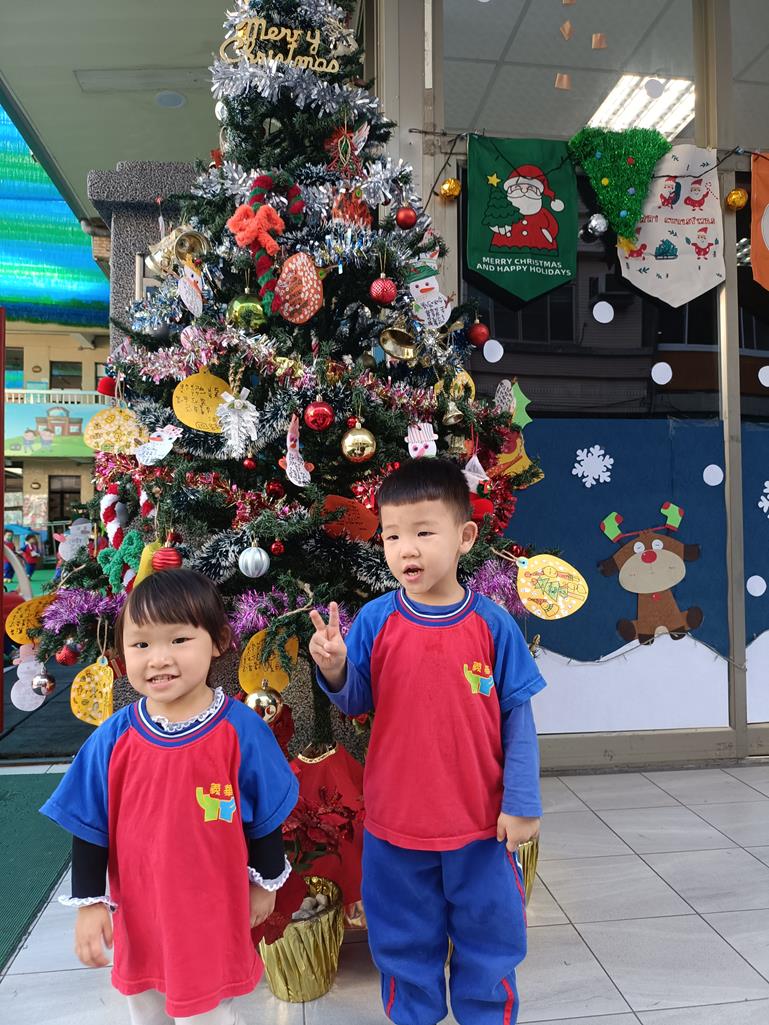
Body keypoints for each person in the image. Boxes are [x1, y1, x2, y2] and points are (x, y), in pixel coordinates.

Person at [309, 458, 546, 1025]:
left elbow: (518, 720)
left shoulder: (493, 625)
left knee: (490, 937)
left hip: (480, 826)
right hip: (396, 825)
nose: (406, 549)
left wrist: (521, 802)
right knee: (402, 940)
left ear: (465, 537)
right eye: (392, 535)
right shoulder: (376, 620)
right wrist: (336, 667)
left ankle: (486, 1015)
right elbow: (356, 701)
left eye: (423, 532)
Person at [41, 569, 299, 1025]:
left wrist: (265, 883)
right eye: (141, 644)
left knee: (208, 1014)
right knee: (146, 1011)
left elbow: (266, 814)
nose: (158, 658)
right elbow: (88, 825)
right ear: (121, 653)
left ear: (218, 641)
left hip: (211, 914)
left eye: (179, 640)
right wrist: (90, 902)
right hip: (140, 916)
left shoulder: (241, 731)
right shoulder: (113, 739)